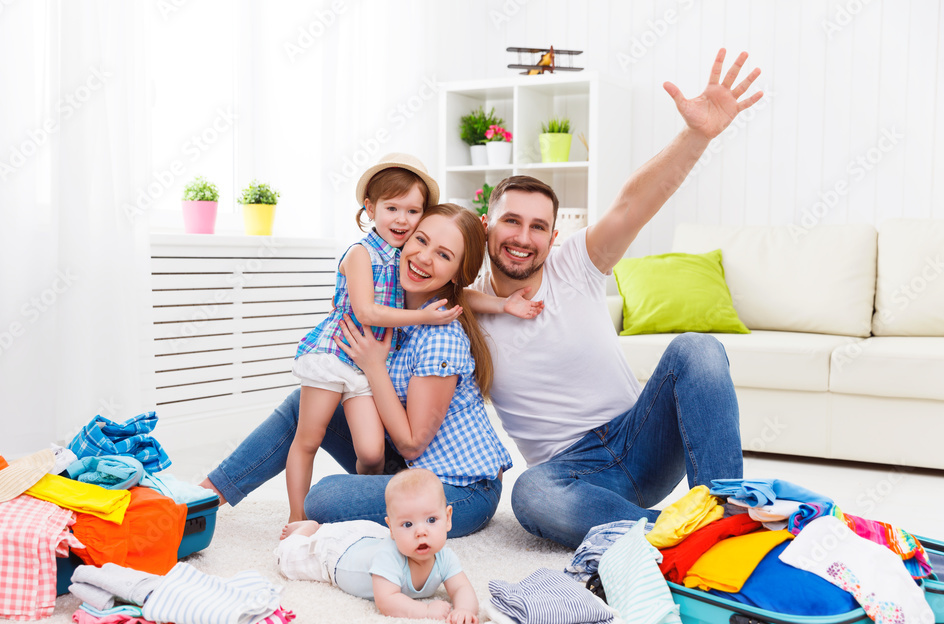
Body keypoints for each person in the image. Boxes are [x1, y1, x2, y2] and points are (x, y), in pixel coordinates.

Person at [471, 48, 763, 548]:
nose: (523, 236)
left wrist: (697, 135)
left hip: (640, 440)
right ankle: (680, 537)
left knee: (696, 349)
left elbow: (632, 203)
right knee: (529, 494)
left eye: (538, 226)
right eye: (511, 221)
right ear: (486, 226)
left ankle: (728, 514)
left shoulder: (574, 265)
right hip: (572, 474)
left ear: (552, 235)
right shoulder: (466, 311)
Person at [202, 203, 515, 537]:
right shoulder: (390, 305)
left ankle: (318, 508)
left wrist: (373, 365)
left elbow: (411, 443)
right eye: (420, 240)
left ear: (456, 273)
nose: (424, 257)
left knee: (324, 499)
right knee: (306, 403)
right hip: (409, 466)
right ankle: (203, 498)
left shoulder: (440, 337)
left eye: (443, 255)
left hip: (460, 490)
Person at [285, 153, 460, 524]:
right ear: (370, 208)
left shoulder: (405, 257)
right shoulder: (360, 253)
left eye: (412, 211)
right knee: (308, 439)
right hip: (336, 355)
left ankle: (364, 509)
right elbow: (365, 311)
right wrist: (423, 316)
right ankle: (297, 518)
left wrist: (503, 305)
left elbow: (459, 291)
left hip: (366, 365)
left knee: (372, 453)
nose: (401, 219)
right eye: (391, 208)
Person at [276, 468, 479, 624]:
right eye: (408, 524)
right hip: (337, 553)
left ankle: (323, 527)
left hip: (370, 536)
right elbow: (387, 601)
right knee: (288, 559)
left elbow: (462, 587)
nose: (421, 532)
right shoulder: (389, 556)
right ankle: (307, 529)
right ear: (391, 526)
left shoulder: (445, 556)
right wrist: (425, 612)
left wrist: (465, 610)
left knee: (381, 536)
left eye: (432, 520)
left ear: (448, 518)